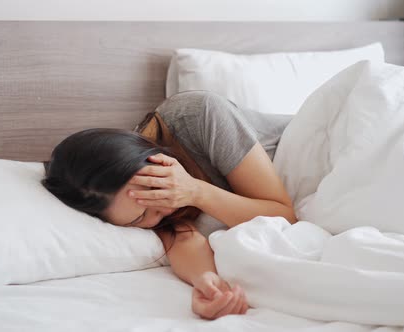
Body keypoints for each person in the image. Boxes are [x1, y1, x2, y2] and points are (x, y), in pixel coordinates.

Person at [42, 90, 297, 320]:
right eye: (140, 218)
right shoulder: (129, 204)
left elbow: (285, 215)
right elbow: (180, 236)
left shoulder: (199, 115)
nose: (167, 207)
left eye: (157, 190)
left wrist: (196, 191)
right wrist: (208, 283)